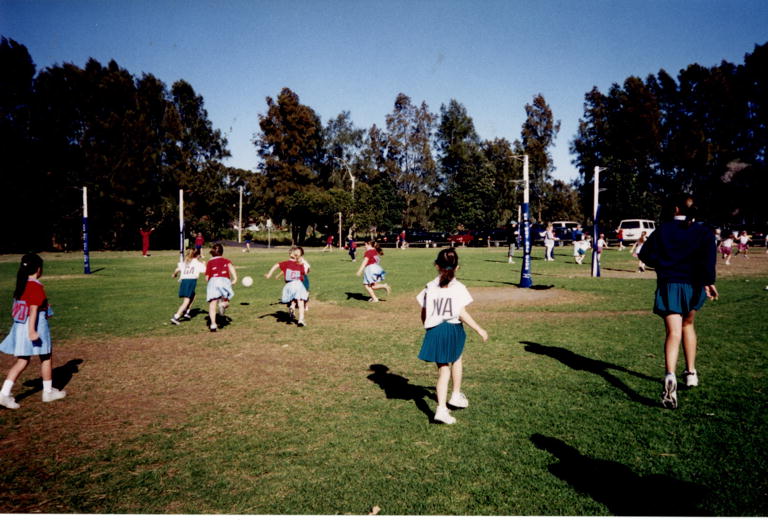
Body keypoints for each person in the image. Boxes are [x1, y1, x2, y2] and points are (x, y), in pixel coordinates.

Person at [638, 194, 718, 409]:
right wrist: (709, 282)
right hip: (693, 285)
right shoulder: (705, 232)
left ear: (674, 208)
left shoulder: (663, 229)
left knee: (673, 332)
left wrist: (663, 264)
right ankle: (691, 373)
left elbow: (644, 254)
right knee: (688, 325)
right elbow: (708, 260)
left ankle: (670, 375)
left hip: (669, 284)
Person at [416, 248, 488, 424]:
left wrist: (428, 328)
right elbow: (461, 312)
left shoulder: (429, 286)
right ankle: (443, 407)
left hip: (435, 330)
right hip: (453, 328)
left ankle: (454, 396)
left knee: (447, 366)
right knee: (453, 362)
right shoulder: (458, 287)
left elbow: (424, 312)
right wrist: (479, 329)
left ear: (436, 265)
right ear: (457, 267)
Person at [0, 254, 66, 409]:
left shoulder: (21, 284)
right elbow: (34, 310)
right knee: (46, 356)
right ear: (38, 269)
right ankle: (48, 392)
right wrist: (32, 331)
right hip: (35, 326)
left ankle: (4, 393)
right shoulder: (36, 287)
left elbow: (15, 309)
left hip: (20, 326)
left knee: (22, 360)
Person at [264, 246, 309, 327]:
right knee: (300, 302)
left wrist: (269, 274)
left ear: (290, 254)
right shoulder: (299, 264)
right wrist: (301, 264)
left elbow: (276, 265)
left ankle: (292, 308)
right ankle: (301, 320)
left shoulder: (286, 263)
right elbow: (304, 273)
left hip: (289, 285)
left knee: (292, 299)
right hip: (298, 284)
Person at [205, 243, 237, 332]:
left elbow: (206, 277)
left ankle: (213, 324)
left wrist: (210, 283)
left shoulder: (210, 262)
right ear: (222, 252)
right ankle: (222, 304)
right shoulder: (226, 261)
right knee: (226, 301)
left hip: (213, 281)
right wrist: (235, 278)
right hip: (224, 281)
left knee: (212, 304)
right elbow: (231, 268)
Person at [170, 248, 206, 325]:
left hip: (184, 281)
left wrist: (175, 274)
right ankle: (176, 316)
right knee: (186, 300)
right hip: (190, 281)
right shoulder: (197, 263)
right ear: (198, 255)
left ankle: (187, 312)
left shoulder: (186, 261)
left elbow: (177, 269)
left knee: (193, 295)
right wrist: (204, 264)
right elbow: (205, 272)